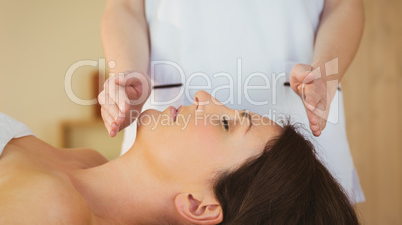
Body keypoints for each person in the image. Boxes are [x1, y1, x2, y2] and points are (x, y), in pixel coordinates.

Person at [83, 0, 365, 203]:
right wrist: (128, 72)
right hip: (168, 111)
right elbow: (125, 4)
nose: (204, 96)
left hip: (300, 112)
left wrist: (324, 72)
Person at [0, 91, 359, 224]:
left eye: (223, 124)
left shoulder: (52, 210)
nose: (203, 96)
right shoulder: (87, 161)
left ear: (199, 206)